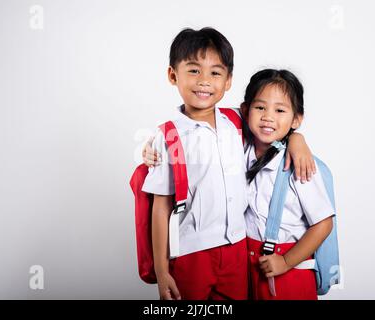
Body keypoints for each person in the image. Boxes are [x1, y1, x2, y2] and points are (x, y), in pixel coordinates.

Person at [141, 27, 314, 300]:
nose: (205, 81)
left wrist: (298, 138)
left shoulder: (236, 121)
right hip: (191, 251)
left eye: (215, 72)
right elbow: (160, 208)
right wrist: (162, 272)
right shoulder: (169, 136)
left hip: (237, 247)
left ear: (229, 80)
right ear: (173, 75)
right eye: (194, 70)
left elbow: (273, 124)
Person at [241, 69, 335, 300]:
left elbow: (323, 224)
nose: (268, 117)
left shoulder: (300, 165)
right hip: (248, 268)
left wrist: (285, 261)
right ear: (245, 110)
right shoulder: (239, 149)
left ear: (296, 119)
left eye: (280, 110)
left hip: (289, 271)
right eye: (260, 107)